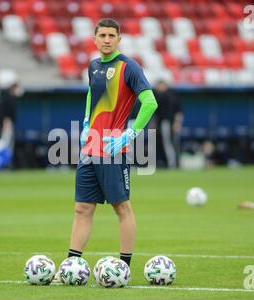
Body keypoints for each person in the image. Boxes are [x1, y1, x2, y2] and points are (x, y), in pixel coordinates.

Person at [54, 18, 158, 282]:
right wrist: (87, 121)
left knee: (121, 208)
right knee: (82, 208)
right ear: (95, 39)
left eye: (112, 35)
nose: (107, 39)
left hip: (113, 149)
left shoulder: (129, 67)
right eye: (103, 35)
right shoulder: (94, 66)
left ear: (119, 39)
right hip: (91, 148)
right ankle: (71, 268)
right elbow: (92, 93)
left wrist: (129, 135)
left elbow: (150, 102)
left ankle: (124, 268)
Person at [152, 79, 183, 169]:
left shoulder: (170, 95)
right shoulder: (162, 96)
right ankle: (171, 163)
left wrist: (177, 123)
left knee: (169, 143)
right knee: (169, 143)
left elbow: (178, 111)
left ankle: (172, 163)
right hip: (165, 122)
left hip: (168, 122)